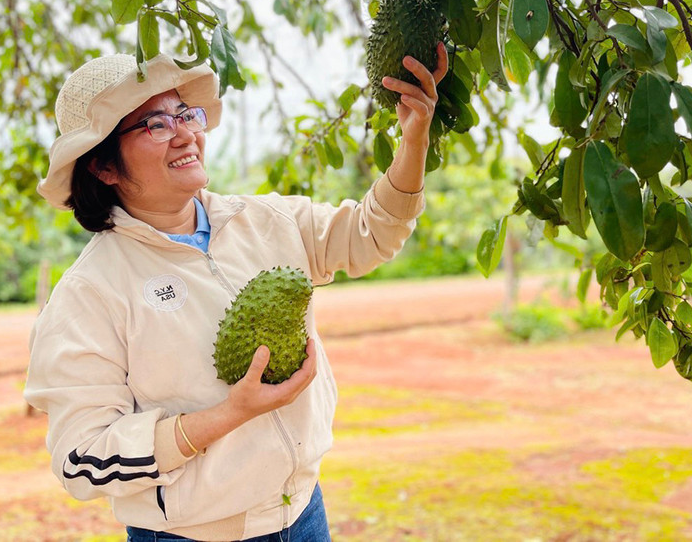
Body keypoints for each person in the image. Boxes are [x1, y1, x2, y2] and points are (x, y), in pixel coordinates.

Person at [23, 44, 448, 541]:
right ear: (104, 167)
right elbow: (82, 458)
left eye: (185, 114)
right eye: (155, 125)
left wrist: (414, 139)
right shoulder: (90, 291)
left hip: (302, 514)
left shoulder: (266, 220)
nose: (185, 133)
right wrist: (228, 415)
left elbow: (371, 233)